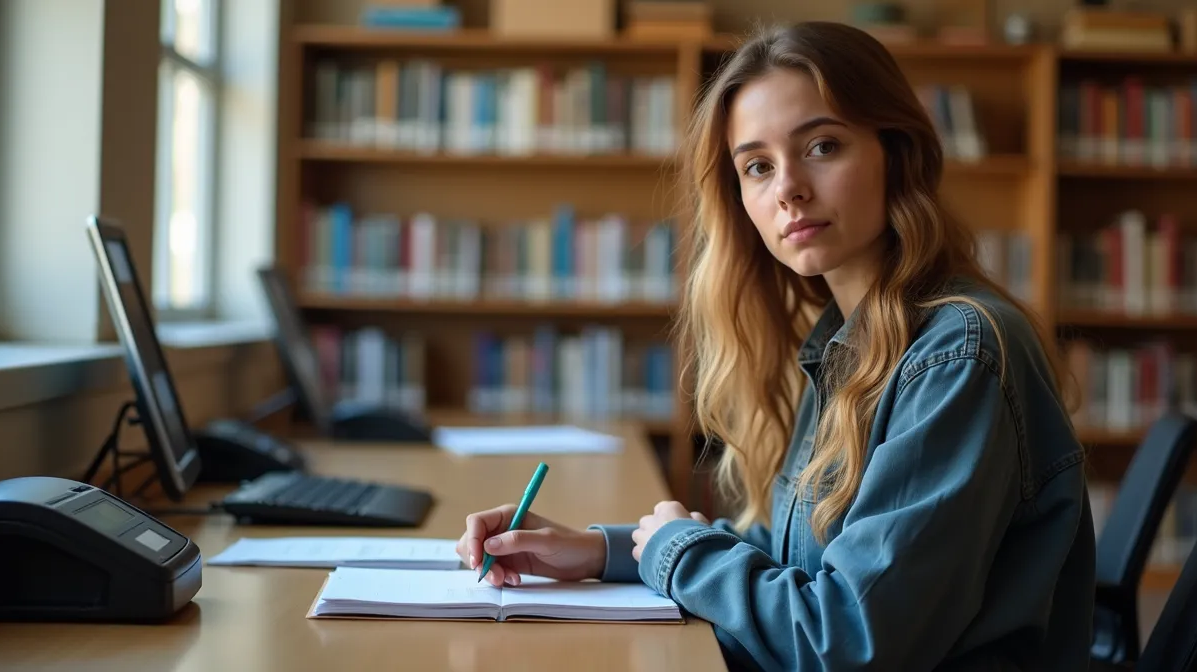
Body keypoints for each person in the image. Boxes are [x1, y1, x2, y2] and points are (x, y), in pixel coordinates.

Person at [456, 20, 1095, 671]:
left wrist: (677, 552)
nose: (787, 187)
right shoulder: (853, 340)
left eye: (822, 146)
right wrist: (604, 551)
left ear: (895, 153)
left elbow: (847, 640)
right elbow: (794, 555)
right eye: (757, 166)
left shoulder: (958, 354)